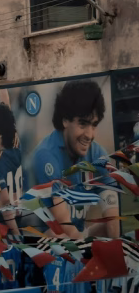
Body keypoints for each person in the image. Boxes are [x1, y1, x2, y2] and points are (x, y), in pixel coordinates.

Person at [32, 80, 116, 238]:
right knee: (58, 235)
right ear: (65, 120)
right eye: (83, 124)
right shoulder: (45, 155)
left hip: (78, 236)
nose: (89, 135)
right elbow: (65, 226)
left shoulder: (98, 153)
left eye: (94, 125)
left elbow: (112, 216)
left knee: (109, 227)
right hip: (46, 242)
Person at [0, 100, 23, 235]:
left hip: (2, 235)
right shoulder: (16, 147)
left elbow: (6, 203)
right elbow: (8, 120)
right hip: (19, 223)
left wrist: (17, 238)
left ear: (0, 132)